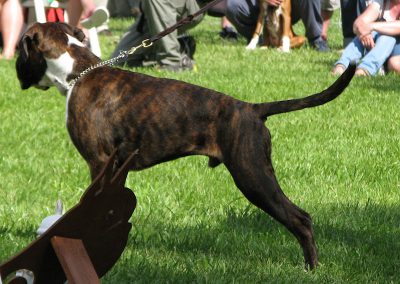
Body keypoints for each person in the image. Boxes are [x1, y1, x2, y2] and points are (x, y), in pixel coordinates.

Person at [111, 0, 204, 71]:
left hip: (193, 6)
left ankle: (172, 61)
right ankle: (181, 49)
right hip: (152, 11)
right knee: (119, 60)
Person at [225, 0, 330, 52]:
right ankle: (261, 39)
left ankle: (316, 39)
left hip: (290, 5)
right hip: (259, 5)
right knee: (232, 5)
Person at [332, 0, 400, 76]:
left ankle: (365, 69)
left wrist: (371, 26)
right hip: (380, 44)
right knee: (366, 32)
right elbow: (357, 24)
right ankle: (342, 65)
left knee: (394, 62)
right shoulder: (379, 2)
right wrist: (365, 34)